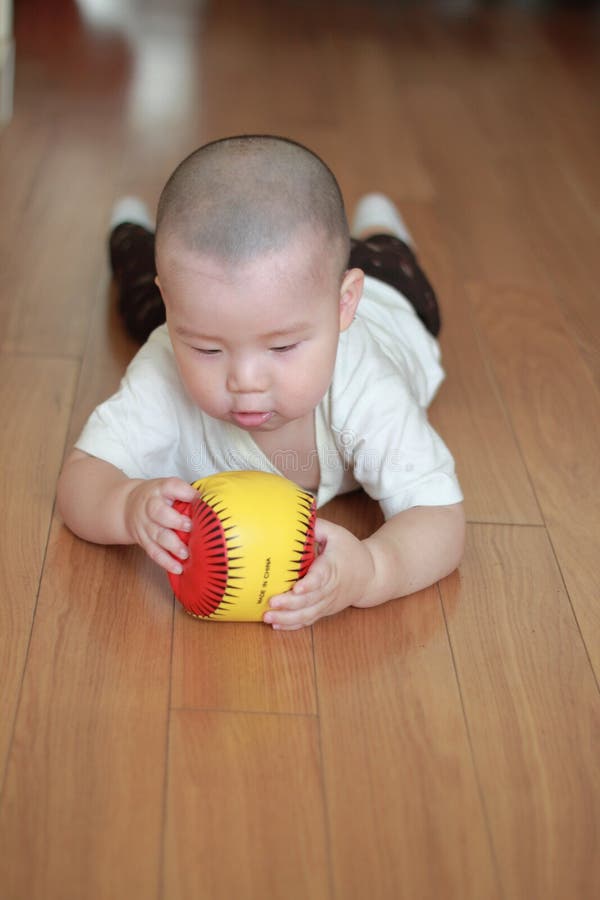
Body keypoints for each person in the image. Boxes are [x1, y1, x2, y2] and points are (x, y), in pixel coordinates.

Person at [57, 134, 465, 631]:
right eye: (208, 349)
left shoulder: (367, 385)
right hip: (238, 293)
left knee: (389, 257)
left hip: (389, 296)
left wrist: (373, 569)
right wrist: (124, 506)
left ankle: (381, 222)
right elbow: (80, 479)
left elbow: (439, 517)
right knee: (139, 296)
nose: (244, 381)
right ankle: (128, 231)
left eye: (283, 348)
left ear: (342, 305)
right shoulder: (168, 355)